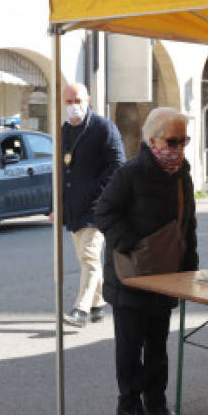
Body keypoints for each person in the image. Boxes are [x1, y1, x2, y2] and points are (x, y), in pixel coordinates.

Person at [94, 108, 199, 415]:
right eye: (173, 141)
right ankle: (129, 404)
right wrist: (130, 244)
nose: (179, 148)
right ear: (152, 140)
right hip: (132, 278)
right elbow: (104, 212)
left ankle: (157, 401)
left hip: (167, 275)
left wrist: (189, 264)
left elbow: (187, 223)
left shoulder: (182, 173)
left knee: (158, 345)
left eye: (185, 141)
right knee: (130, 346)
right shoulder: (131, 173)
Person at [56, 82, 125, 328]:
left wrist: (98, 193)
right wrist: (56, 206)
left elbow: (117, 165)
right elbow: (61, 172)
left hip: (97, 205)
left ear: (88, 100)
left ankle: (81, 310)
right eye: (68, 101)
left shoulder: (103, 128)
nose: (73, 106)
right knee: (85, 258)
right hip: (74, 207)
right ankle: (97, 304)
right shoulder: (64, 131)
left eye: (77, 101)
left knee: (89, 256)